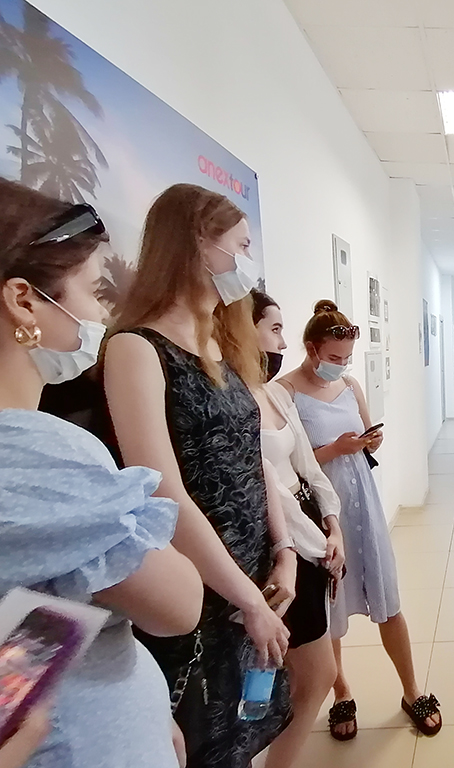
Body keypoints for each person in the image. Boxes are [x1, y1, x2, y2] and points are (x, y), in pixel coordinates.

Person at [0, 178, 203, 767]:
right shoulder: (38, 453)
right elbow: (178, 604)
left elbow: (32, 621)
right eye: (92, 292)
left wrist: (142, 705)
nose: (99, 315)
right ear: (24, 301)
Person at [103, 184, 294, 768]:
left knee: (248, 726)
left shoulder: (220, 343)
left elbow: (252, 457)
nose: (247, 261)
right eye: (240, 245)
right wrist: (245, 597)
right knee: (205, 740)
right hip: (201, 586)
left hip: (253, 575)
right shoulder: (137, 348)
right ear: (197, 244)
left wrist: (283, 550)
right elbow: (163, 490)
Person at [279, 300, 442, 738]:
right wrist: (337, 448)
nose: (341, 365)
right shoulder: (286, 392)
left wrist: (370, 440)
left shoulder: (350, 385)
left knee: (387, 595)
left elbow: (369, 437)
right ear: (311, 348)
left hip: (362, 501)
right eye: (334, 357)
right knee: (330, 607)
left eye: (347, 357)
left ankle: (411, 690)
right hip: (321, 510)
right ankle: (342, 693)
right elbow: (287, 464)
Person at [250, 290, 346, 768]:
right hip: (276, 547)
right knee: (309, 674)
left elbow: (307, 464)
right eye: (274, 329)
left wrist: (334, 526)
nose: (282, 342)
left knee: (306, 672)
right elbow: (272, 491)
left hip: (309, 536)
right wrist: (316, 547)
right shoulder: (233, 403)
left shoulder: (273, 394)